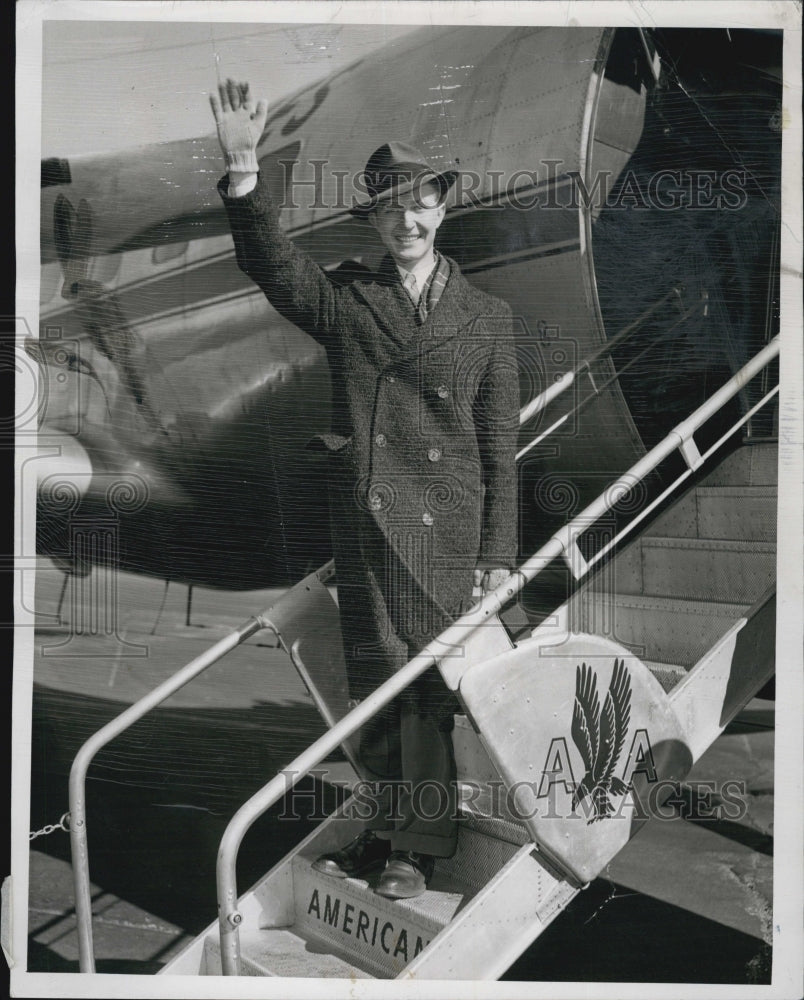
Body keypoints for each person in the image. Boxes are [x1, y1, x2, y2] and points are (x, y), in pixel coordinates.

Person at [210, 79, 518, 899]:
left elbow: (501, 448)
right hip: (370, 520)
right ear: (375, 224)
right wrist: (245, 174)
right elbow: (272, 266)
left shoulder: (489, 317)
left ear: (442, 207)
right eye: (389, 211)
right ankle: (389, 826)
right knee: (373, 680)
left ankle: (414, 848)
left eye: (419, 204)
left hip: (448, 530)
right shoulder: (349, 300)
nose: (406, 222)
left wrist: (499, 556)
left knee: (420, 687)